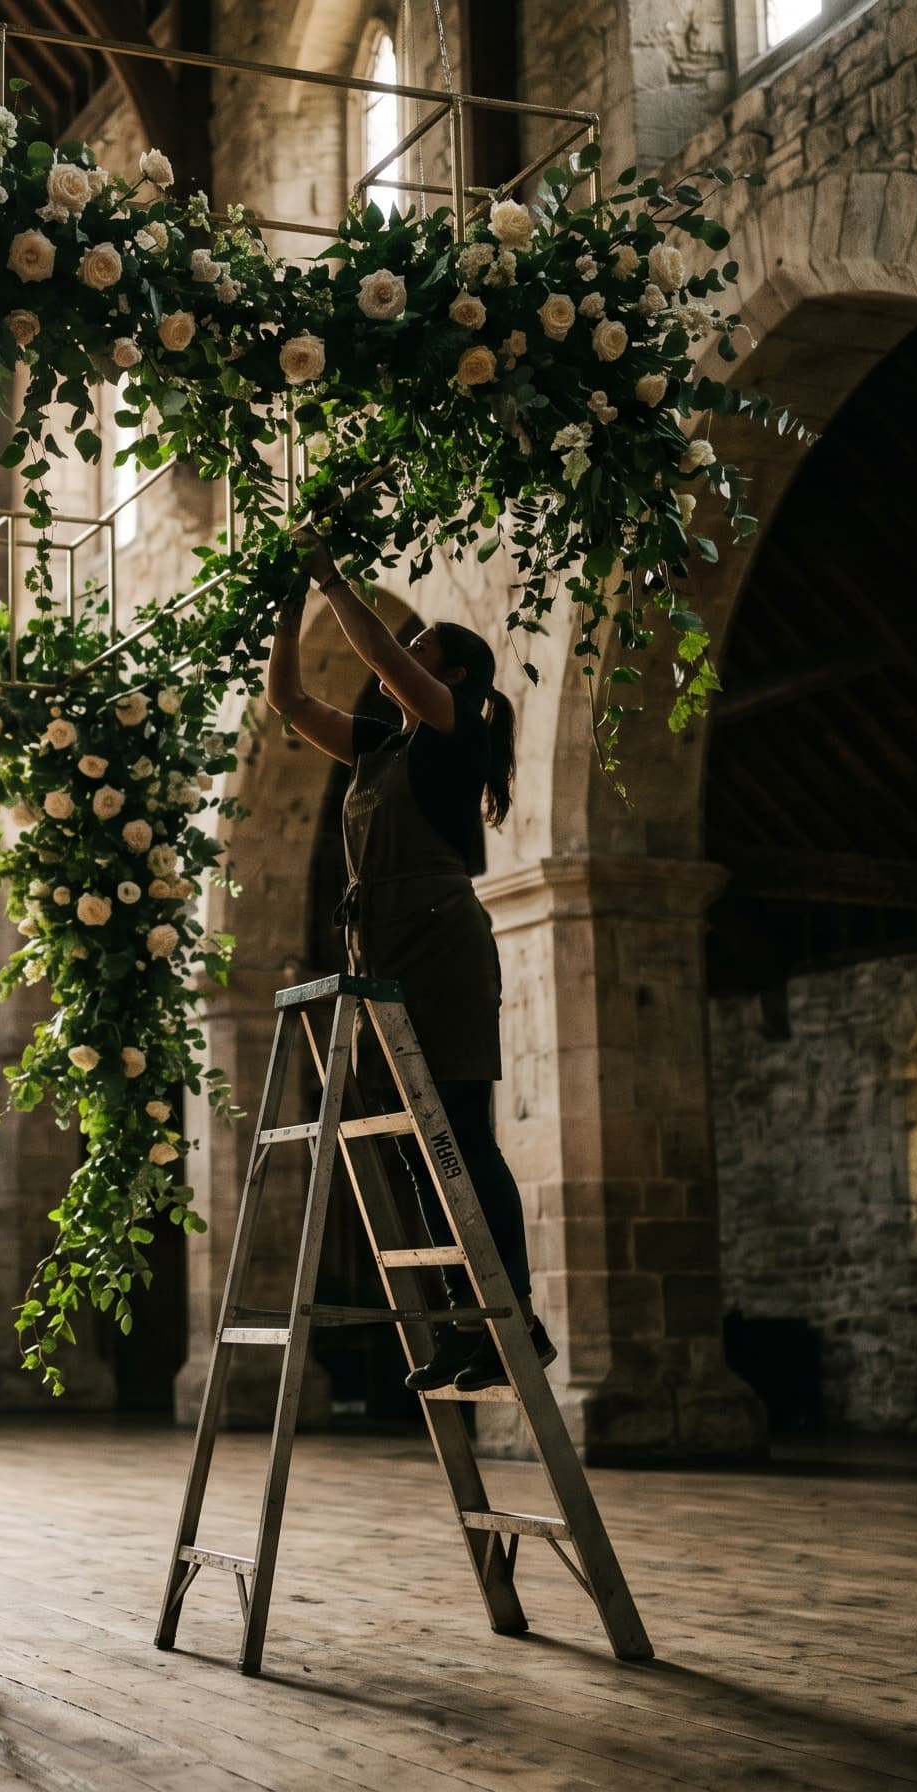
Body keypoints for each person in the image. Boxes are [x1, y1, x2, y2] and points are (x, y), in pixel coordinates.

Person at [268, 539, 552, 1393]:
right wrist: (285, 606)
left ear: (455, 676)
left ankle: (519, 1319)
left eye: (428, 644)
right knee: (419, 1148)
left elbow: (384, 657)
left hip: (442, 945)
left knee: (462, 1132)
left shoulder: (453, 728)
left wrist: (330, 575)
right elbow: (288, 698)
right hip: (381, 949)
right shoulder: (378, 748)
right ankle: (466, 1322)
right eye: (416, 642)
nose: (411, 648)